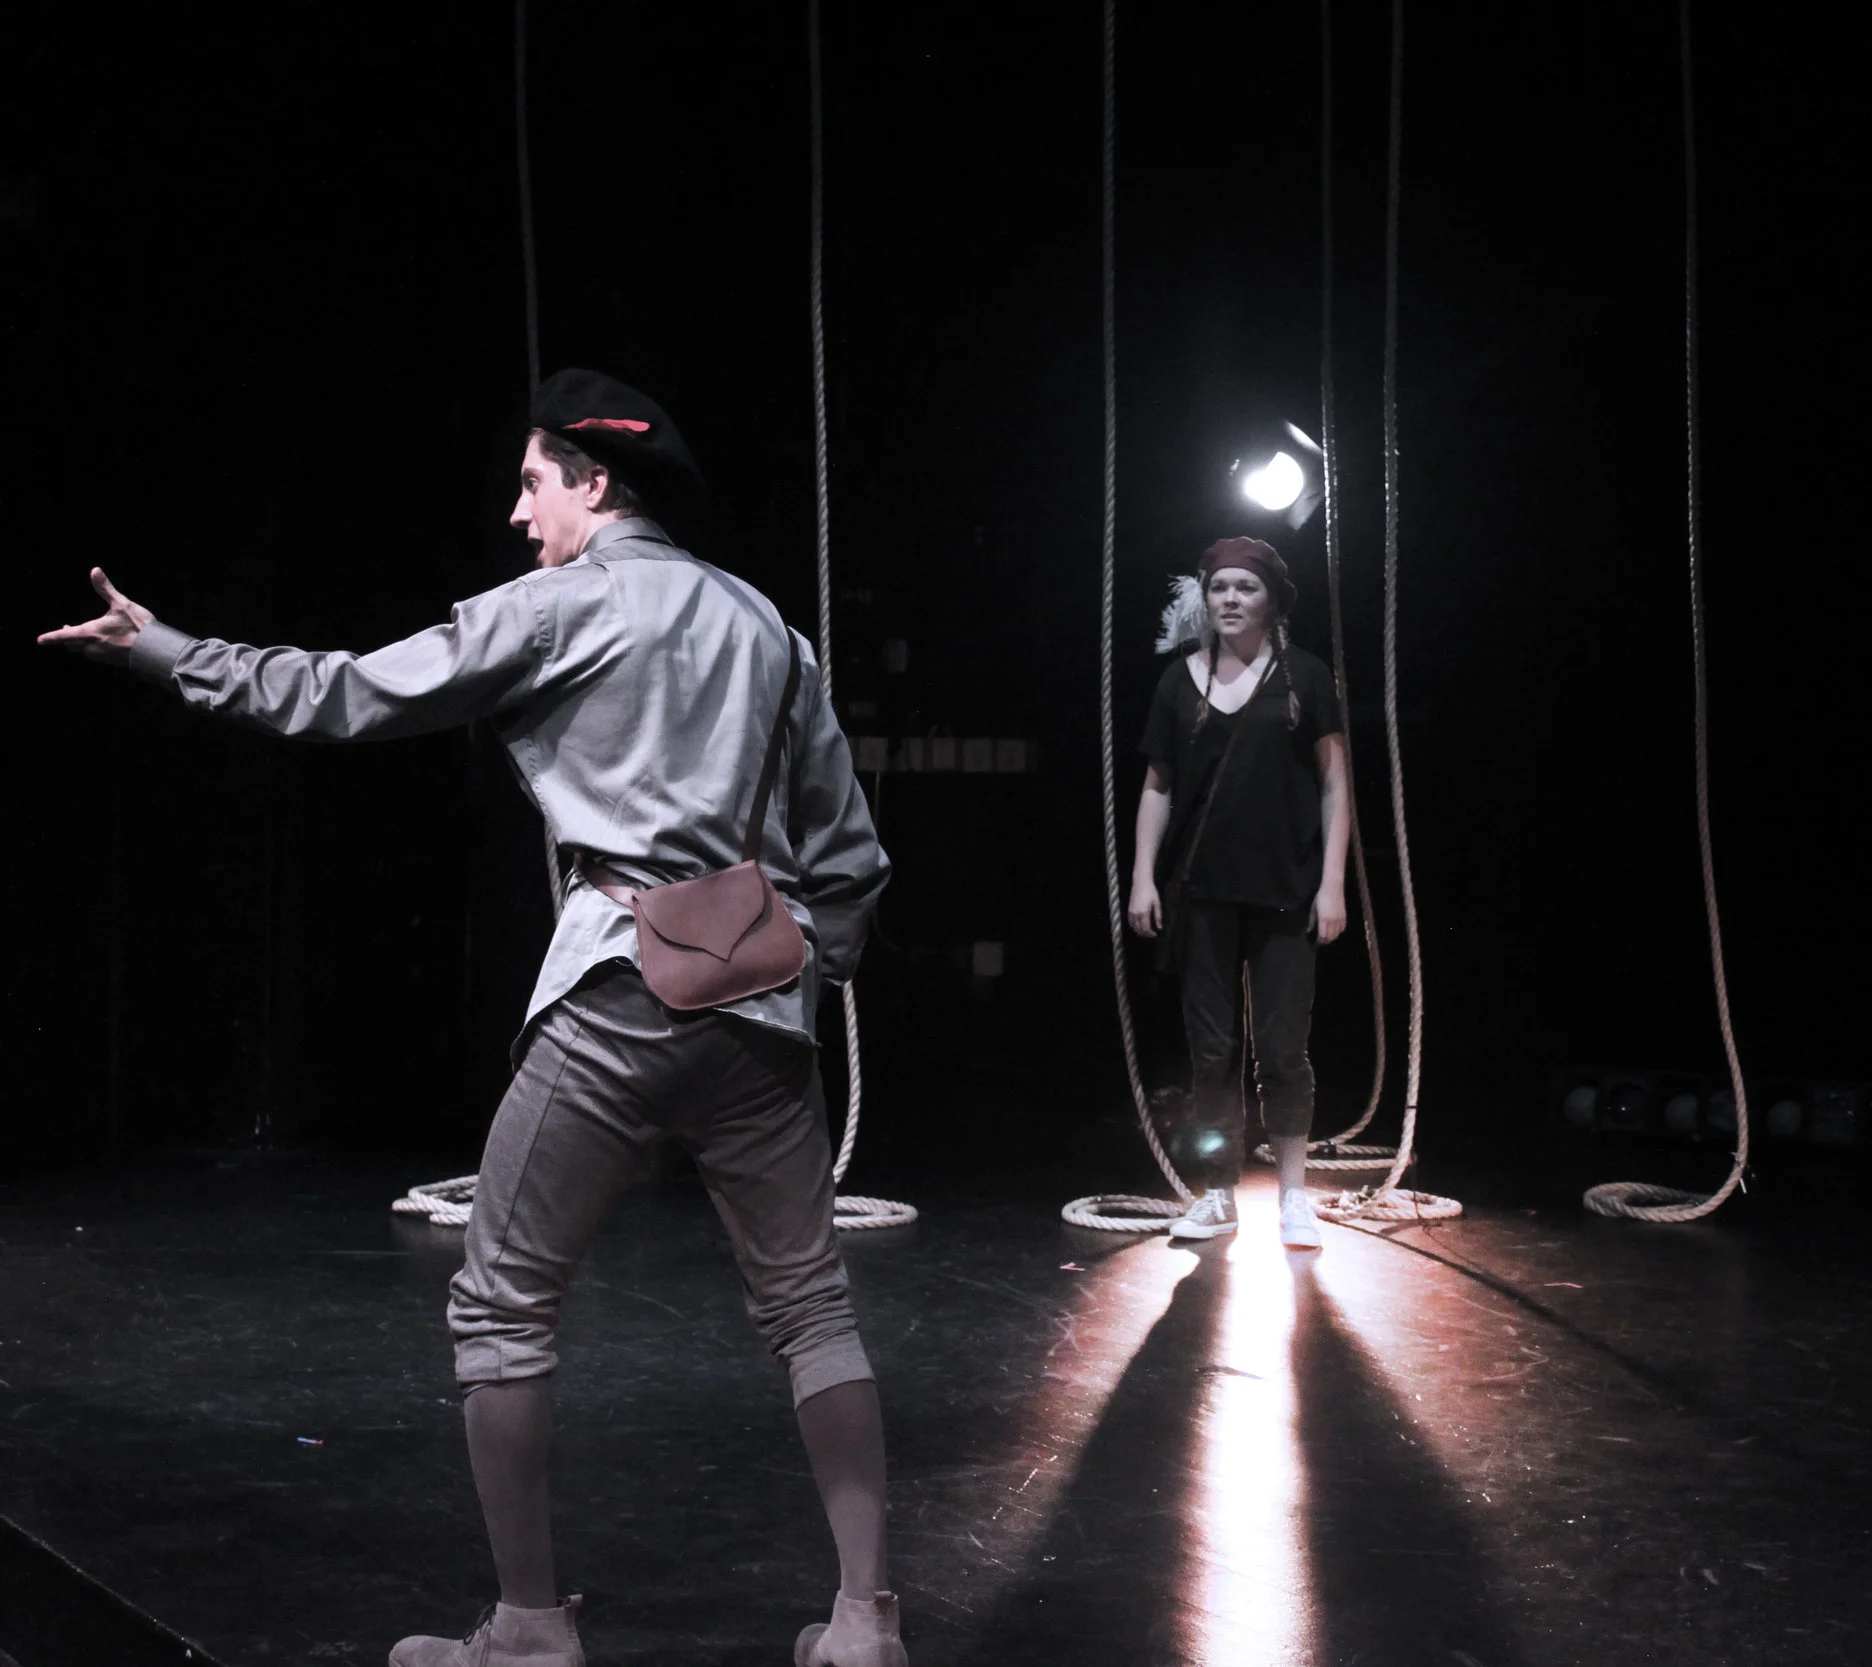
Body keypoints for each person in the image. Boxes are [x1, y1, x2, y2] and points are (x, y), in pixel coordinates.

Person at [38, 369, 909, 1667]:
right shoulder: (767, 626)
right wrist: (788, 962)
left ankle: (529, 1628)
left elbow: (342, 692)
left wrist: (164, 650)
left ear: (594, 483)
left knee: (502, 1303)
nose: (518, 512)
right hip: (762, 1005)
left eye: (532, 482)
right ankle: (865, 1619)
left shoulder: (557, 606)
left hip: (619, 990)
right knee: (811, 1307)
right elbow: (850, 856)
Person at [1126, 536, 1352, 1250]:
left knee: (1283, 1050)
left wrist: (1333, 883)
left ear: (1271, 600)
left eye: (1245, 587)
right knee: (1211, 1051)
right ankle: (1218, 1192)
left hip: (1287, 890)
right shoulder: (1178, 682)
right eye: (1219, 586)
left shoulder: (1304, 676)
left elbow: (1335, 784)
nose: (1230, 598)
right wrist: (1142, 874)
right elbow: (1157, 786)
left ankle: (1293, 1194)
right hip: (1203, 893)